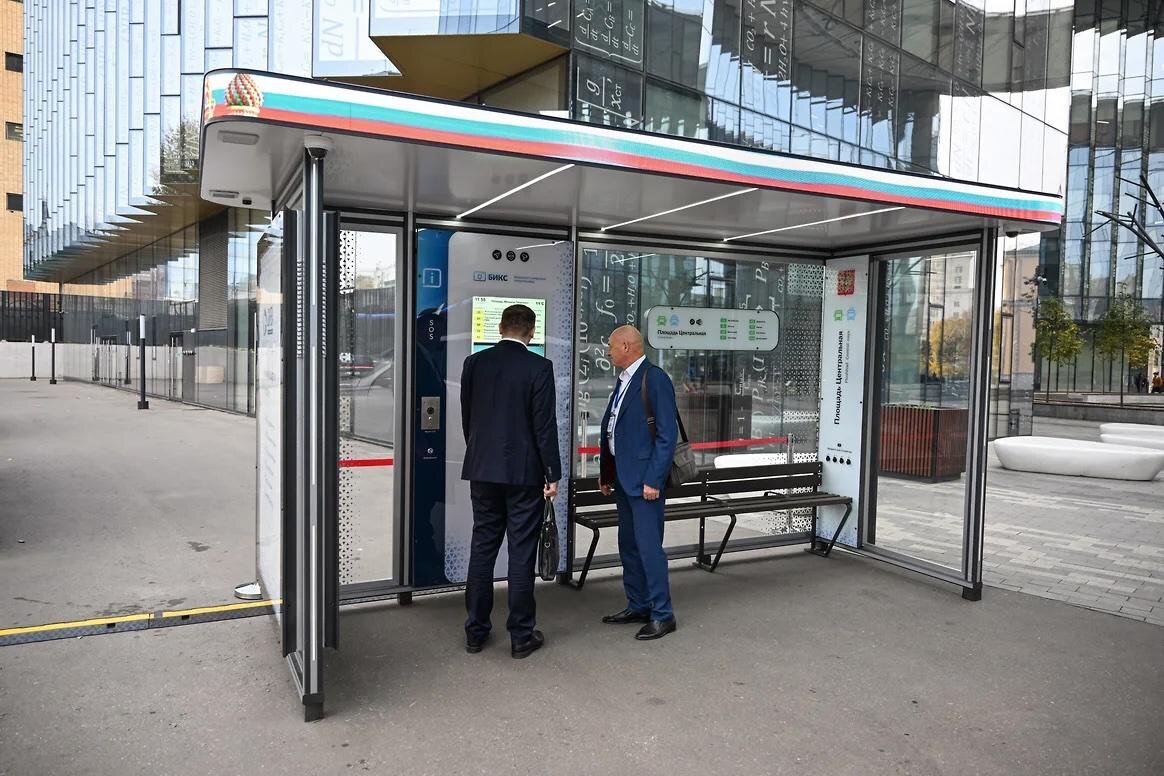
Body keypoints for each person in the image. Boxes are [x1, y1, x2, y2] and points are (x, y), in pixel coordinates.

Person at [460, 304, 561, 659]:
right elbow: (544, 426)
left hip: (482, 469)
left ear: (500, 327)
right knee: (521, 552)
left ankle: (475, 633)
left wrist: (481, 454)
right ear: (532, 332)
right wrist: (552, 474)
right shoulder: (539, 367)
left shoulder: (474, 364)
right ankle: (521, 635)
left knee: (482, 547)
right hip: (523, 473)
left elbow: (468, 417)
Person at [598, 325, 679, 640]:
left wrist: (654, 480)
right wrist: (607, 474)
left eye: (611, 346)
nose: (608, 352)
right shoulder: (623, 380)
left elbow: (667, 436)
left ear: (626, 346)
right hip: (623, 479)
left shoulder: (654, 379)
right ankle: (638, 604)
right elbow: (614, 430)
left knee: (649, 549)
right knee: (629, 546)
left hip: (645, 483)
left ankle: (662, 614)